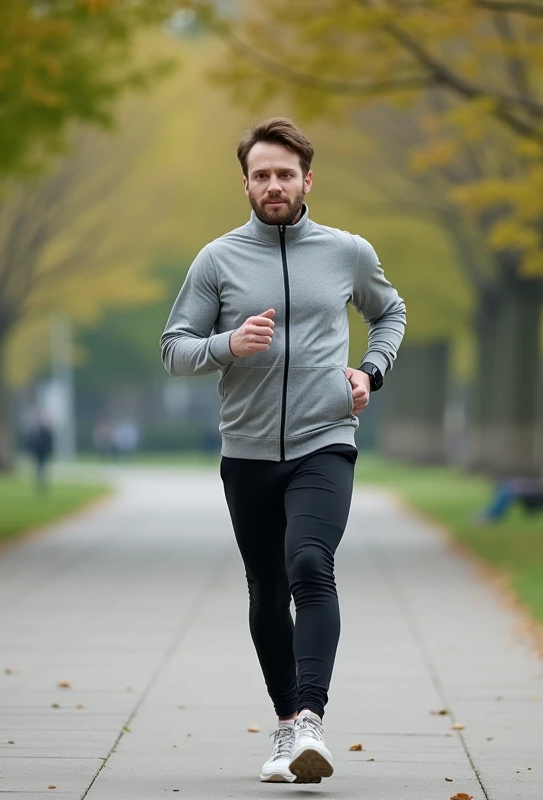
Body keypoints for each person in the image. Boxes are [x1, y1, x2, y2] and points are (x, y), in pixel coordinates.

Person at [160, 117, 407, 785]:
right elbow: (174, 349)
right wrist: (227, 345)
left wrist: (371, 372)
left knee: (309, 562)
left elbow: (390, 311)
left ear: (307, 181)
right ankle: (286, 726)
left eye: (285, 174)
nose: (274, 185)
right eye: (262, 175)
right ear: (245, 183)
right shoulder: (217, 260)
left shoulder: (347, 252)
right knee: (267, 588)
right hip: (246, 451)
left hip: (325, 439)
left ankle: (310, 720)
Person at [26, 416, 55, 493]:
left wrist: (49, 452)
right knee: (39, 469)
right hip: (38, 453)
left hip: (44, 453)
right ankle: (39, 483)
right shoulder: (36, 432)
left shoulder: (46, 432)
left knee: (43, 469)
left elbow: (49, 443)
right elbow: (32, 443)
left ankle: (43, 483)